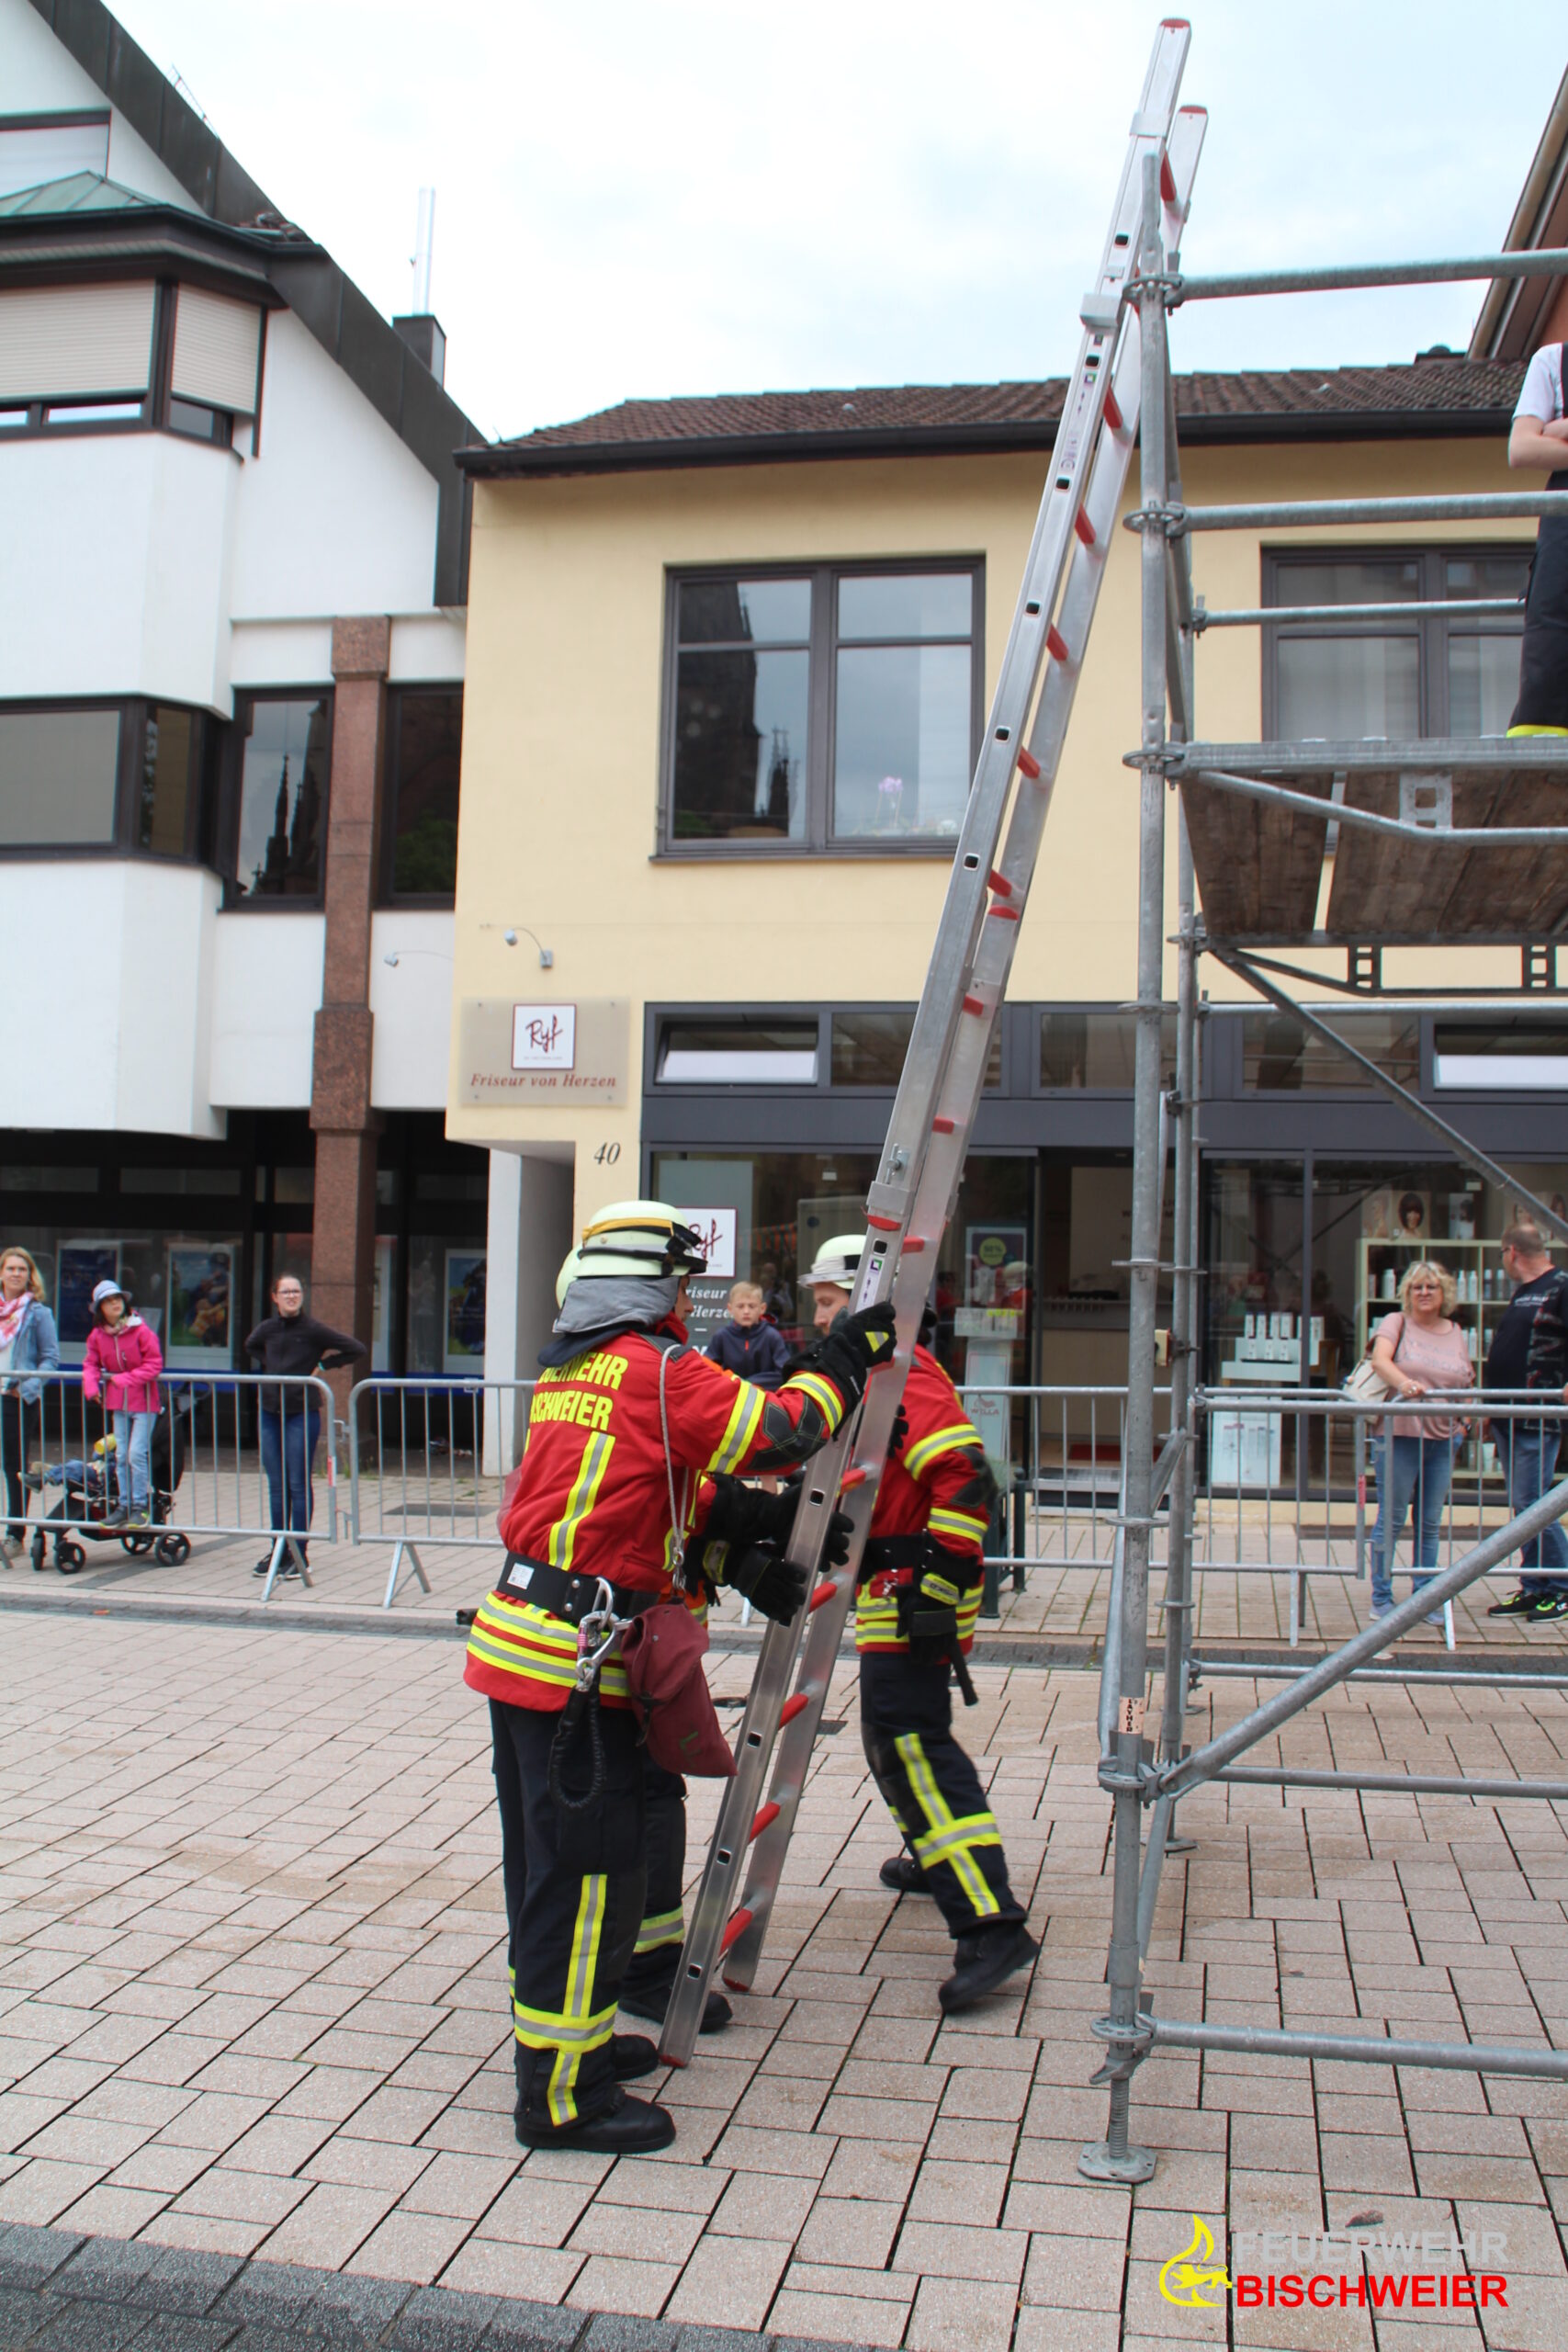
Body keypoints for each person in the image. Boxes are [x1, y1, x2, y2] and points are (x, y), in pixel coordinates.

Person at [463, 1200, 894, 2155]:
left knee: (561, 1870)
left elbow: (647, 1493)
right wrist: (846, 1356)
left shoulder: (573, 1370)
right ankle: (561, 2095)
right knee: (580, 1883)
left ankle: (572, 2045)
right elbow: (778, 1429)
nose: (691, 1297)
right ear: (648, 1283)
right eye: (682, 1280)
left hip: (534, 1649)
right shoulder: (653, 1368)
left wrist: (736, 1552)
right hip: (577, 1666)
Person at [806, 1233, 1039, 2013]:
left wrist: (940, 1587)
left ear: (868, 1296)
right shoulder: (868, 1372)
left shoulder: (898, 1371)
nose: (818, 1313)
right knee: (895, 1737)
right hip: (897, 1583)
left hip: (916, 1586)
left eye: (829, 1299)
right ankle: (929, 1855)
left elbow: (965, 1473)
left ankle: (988, 1923)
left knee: (908, 1741)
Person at [1367, 1262, 1473, 1623]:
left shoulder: (1456, 1331)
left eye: (1431, 1287)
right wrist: (1405, 1385)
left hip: (1443, 1437)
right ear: (1407, 1294)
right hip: (1400, 1434)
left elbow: (1465, 1378)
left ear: (1444, 1294)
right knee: (1392, 1518)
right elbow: (1380, 1361)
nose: (1424, 1293)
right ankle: (1381, 1597)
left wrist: (1466, 1418)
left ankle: (1424, 1597)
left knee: (1429, 1522)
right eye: (1417, 1287)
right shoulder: (1396, 1322)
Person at [244, 1275, 366, 1578]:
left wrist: (323, 1366)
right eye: (285, 1291)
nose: (291, 1296)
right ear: (274, 1296)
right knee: (277, 1485)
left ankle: (299, 1553)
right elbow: (251, 1345)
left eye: (296, 1291)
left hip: (301, 1412)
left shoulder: (312, 1329)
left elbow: (355, 1348)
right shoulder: (268, 1329)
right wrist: (273, 1365)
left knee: (298, 1483)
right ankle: (278, 1548)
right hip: (270, 1411)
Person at [1487, 1222, 1568, 1619]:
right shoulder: (1523, 1292)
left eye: (1502, 1255)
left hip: (1538, 1414)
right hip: (1508, 1413)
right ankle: (1535, 1584)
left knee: (1533, 1503)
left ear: (1512, 1251)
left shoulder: (1561, 1286)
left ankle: (1563, 1584)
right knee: (1524, 1508)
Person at [1506, 340, 1568, 738]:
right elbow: (1523, 447)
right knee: (1554, 637)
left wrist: (1560, 430)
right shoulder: (1554, 361)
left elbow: (1538, 441)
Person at [81, 1280, 163, 1529]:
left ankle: (140, 1506)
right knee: (120, 1455)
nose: (114, 1303)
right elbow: (91, 1363)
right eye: (107, 1301)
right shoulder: (97, 1335)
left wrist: (125, 1379)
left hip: (144, 1402)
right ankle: (124, 1505)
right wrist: (92, 1386)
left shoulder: (141, 1331)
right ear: (100, 1309)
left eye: (117, 1298)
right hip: (118, 1403)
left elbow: (154, 1364)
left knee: (136, 1454)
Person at [0, 1247, 59, 1558]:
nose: (15, 1274)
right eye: (10, 1268)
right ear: (1, 1273)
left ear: (29, 1275)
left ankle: (14, 1534)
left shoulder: (38, 1313)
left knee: (14, 1468)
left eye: (22, 1269)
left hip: (15, 1398)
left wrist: (29, 1388)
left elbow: (51, 1359)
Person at [704, 1280, 794, 1388]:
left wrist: (749, 1383)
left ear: (762, 1309)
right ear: (730, 1309)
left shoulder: (772, 1336)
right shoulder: (721, 1337)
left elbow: (784, 1372)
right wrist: (732, 1382)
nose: (746, 1311)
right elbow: (707, 1370)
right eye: (740, 1306)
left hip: (765, 1398)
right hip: (731, 1397)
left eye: (751, 1306)